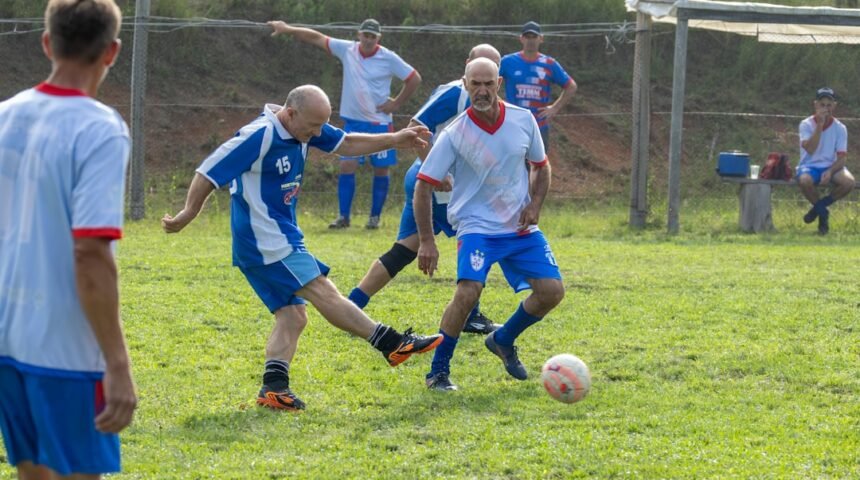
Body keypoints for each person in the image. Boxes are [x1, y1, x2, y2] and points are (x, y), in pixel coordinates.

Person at [162, 85, 441, 411]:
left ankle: (274, 388)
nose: (318, 132)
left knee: (293, 316)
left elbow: (346, 143)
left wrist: (395, 139)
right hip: (265, 240)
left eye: (322, 124)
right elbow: (209, 171)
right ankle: (392, 343)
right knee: (323, 290)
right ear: (291, 113)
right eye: (314, 125)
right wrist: (188, 213)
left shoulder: (304, 129)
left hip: (278, 237)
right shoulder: (261, 135)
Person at [0, 1, 137, 478]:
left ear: (46, 43)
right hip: (64, 347)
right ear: (113, 51)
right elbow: (91, 252)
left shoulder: (4, 116)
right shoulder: (98, 129)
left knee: (32, 471)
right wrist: (117, 364)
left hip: (7, 336)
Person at [414, 58, 565, 391]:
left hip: (519, 227)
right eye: (475, 84)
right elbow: (423, 185)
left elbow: (542, 166)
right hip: (476, 227)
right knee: (468, 293)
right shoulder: (454, 134)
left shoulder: (523, 120)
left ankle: (503, 339)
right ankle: (438, 372)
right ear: (465, 85)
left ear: (499, 84)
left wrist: (535, 206)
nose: (481, 91)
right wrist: (427, 240)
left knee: (552, 292)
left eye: (487, 84)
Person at [347, 44, 502, 335]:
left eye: (491, 69)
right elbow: (416, 125)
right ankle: (471, 316)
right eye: (477, 69)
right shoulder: (455, 93)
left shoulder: (488, 100)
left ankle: (351, 306)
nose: (483, 76)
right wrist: (436, 168)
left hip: (435, 183)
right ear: (467, 68)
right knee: (480, 241)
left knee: (404, 249)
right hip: (435, 185)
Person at [268, 18, 422, 229]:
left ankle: (374, 218)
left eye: (372, 37)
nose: (368, 40)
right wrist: (287, 29)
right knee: (346, 165)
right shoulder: (348, 50)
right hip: (353, 122)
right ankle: (344, 217)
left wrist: (396, 103)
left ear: (378, 38)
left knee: (381, 170)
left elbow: (413, 78)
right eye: (365, 35)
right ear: (359, 35)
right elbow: (317, 38)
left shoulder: (388, 57)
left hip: (379, 122)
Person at [499, 21, 577, 152]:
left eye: (534, 37)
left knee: (539, 169)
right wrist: (499, 104)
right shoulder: (507, 61)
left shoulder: (549, 63)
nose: (530, 40)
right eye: (527, 37)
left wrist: (555, 108)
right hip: (512, 125)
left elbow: (571, 86)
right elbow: (488, 81)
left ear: (541, 39)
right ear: (521, 39)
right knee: (511, 167)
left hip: (539, 127)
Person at [797, 87, 854, 235]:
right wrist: (820, 126)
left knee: (849, 182)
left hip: (831, 165)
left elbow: (842, 158)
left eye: (829, 105)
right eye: (822, 104)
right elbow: (810, 149)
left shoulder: (840, 128)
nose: (825, 108)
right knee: (804, 181)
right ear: (815, 105)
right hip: (809, 165)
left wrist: (830, 171)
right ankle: (823, 214)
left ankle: (819, 207)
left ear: (834, 106)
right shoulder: (806, 124)